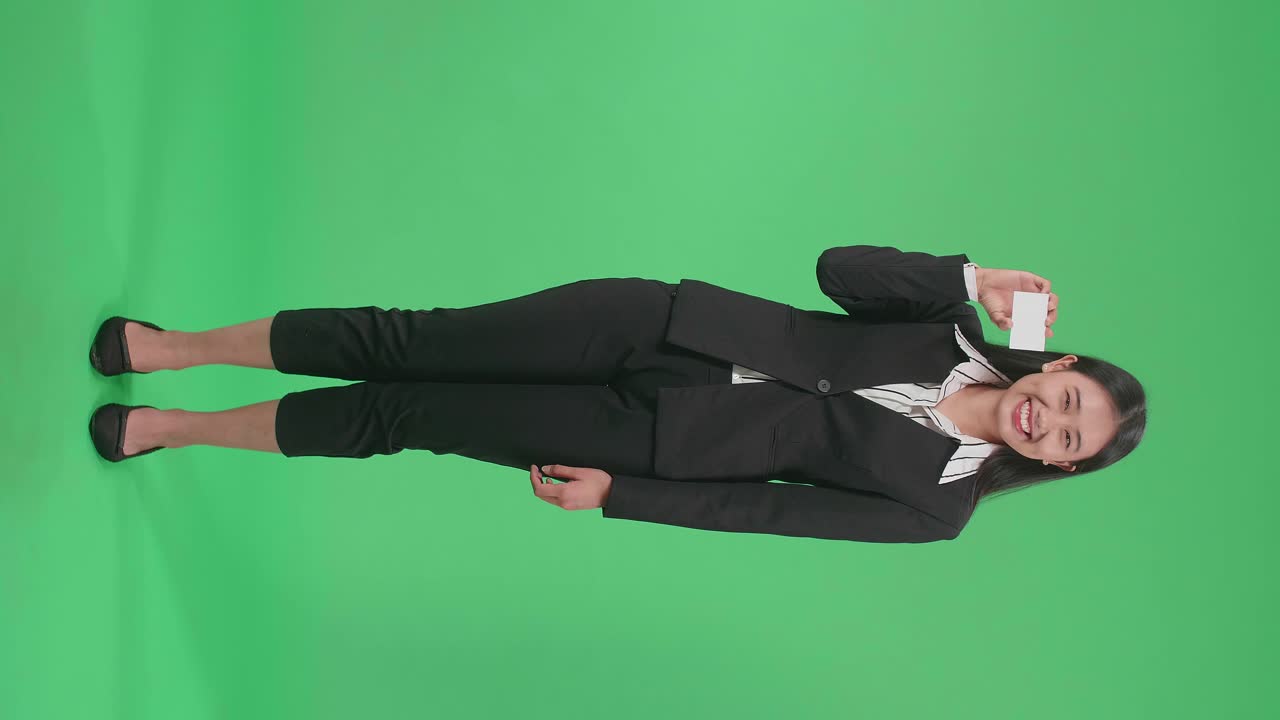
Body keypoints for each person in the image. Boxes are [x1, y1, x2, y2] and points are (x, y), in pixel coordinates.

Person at [88, 245, 1147, 543]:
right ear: (1052, 367)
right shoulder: (948, 325)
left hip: (652, 438)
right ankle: (173, 348)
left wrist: (619, 497)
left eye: (1067, 442)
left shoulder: (937, 509)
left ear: (1054, 465)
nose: (1048, 423)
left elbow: (768, 508)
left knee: (405, 413)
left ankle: (170, 428)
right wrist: (970, 279)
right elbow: (836, 274)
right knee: (413, 339)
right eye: (1066, 400)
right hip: (663, 323)